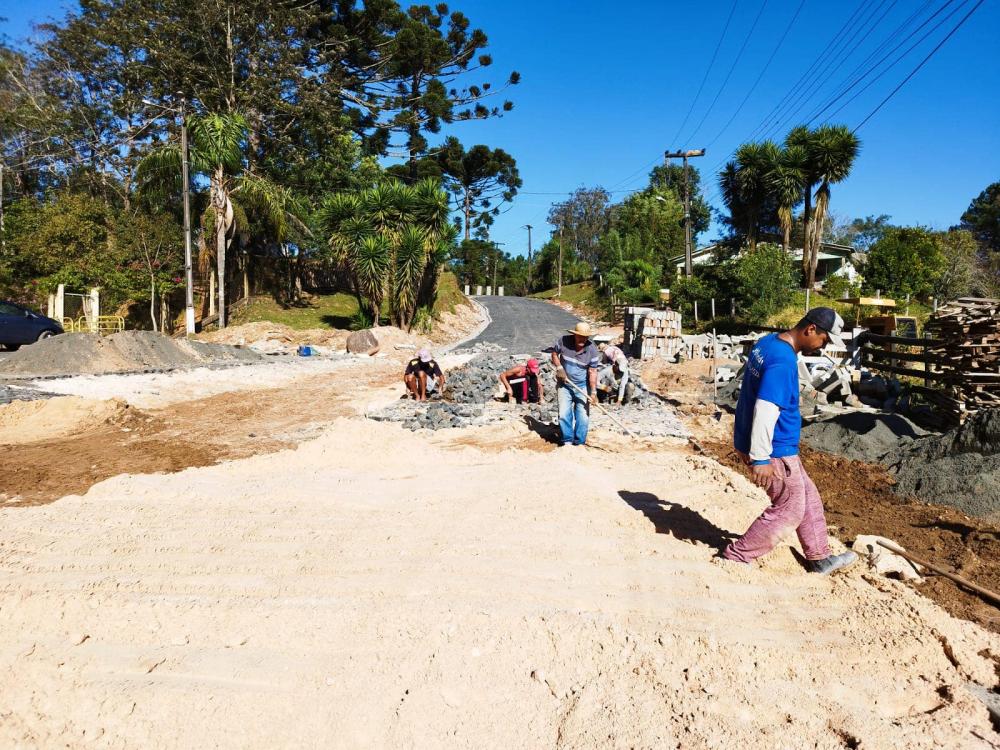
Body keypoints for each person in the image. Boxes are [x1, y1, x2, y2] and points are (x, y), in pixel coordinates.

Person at [723, 307, 859, 574]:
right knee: (789, 508)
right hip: (774, 450)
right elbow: (764, 408)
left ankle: (819, 557)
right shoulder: (783, 361)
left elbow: (748, 396)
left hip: (771, 445)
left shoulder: (767, 344)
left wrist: (743, 443)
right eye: (824, 340)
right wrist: (760, 458)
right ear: (810, 329)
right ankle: (737, 555)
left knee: (807, 496)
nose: (823, 347)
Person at [551, 321, 601, 446]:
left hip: (583, 386)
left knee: (583, 416)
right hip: (564, 384)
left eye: (585, 337)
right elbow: (554, 353)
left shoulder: (592, 350)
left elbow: (593, 372)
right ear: (575, 335)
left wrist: (594, 392)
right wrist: (559, 368)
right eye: (580, 336)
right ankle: (567, 440)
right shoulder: (564, 341)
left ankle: (579, 442)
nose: (582, 340)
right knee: (563, 413)